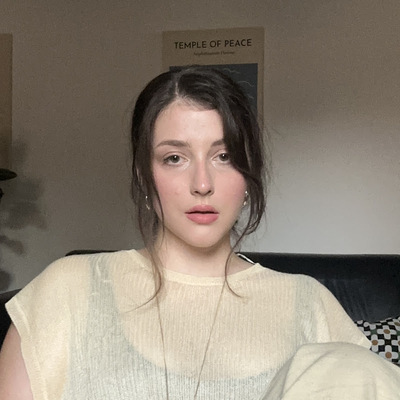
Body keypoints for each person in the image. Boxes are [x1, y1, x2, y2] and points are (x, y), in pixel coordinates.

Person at [0, 66, 398, 400]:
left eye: (224, 156)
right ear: (144, 175)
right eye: (175, 158)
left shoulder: (309, 306)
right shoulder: (68, 291)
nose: (202, 184)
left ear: (249, 172)